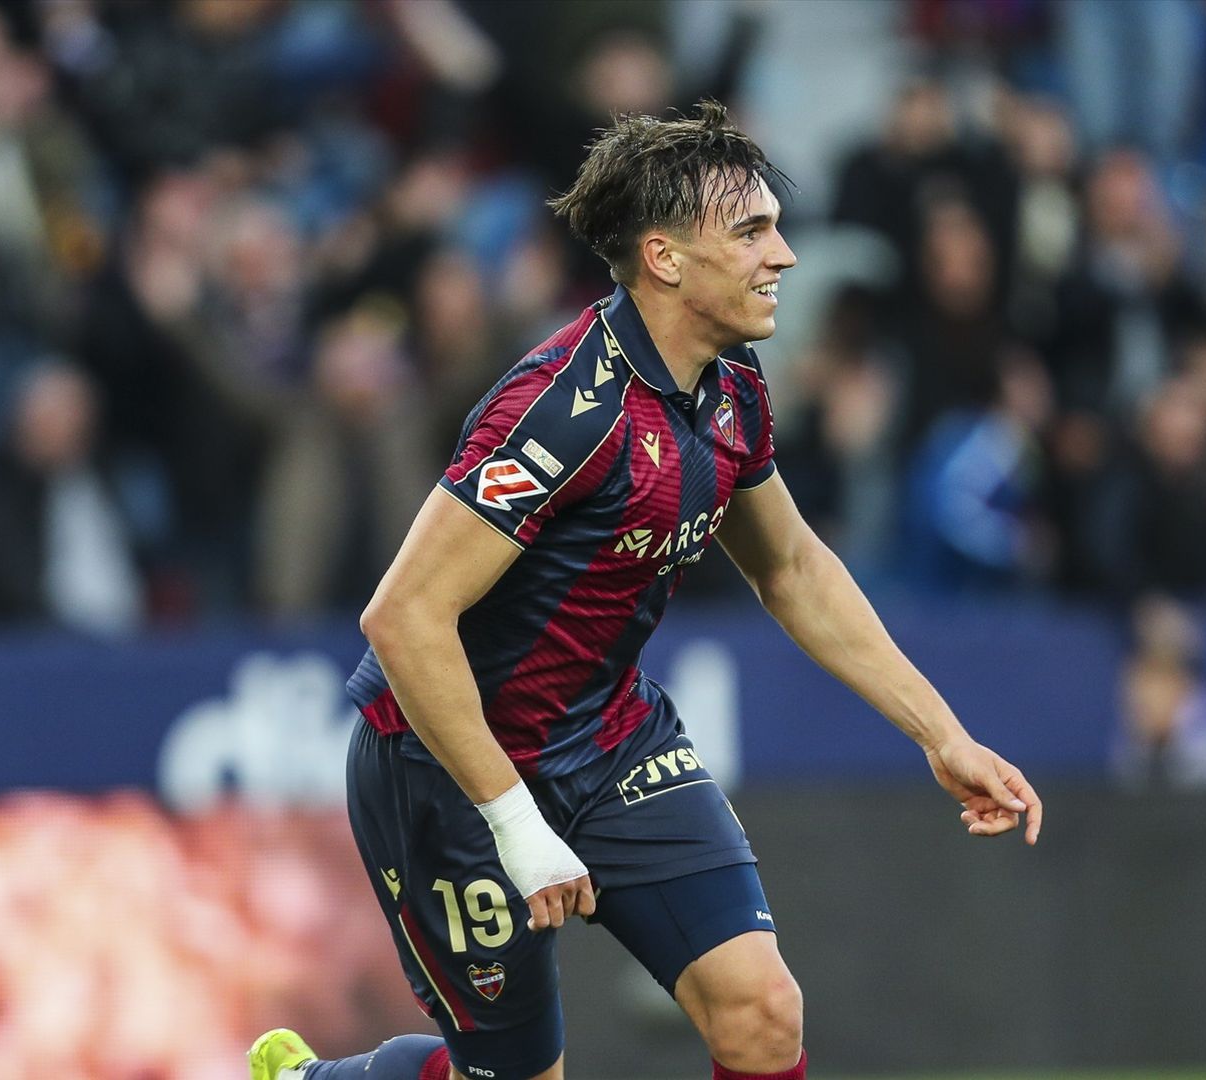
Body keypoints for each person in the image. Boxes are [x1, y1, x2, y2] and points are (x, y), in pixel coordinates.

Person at [247, 100, 1043, 1080]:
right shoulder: (560, 412)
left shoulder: (731, 386)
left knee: (762, 1009)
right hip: (450, 771)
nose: (784, 255)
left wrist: (942, 734)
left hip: (610, 738)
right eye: (751, 231)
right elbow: (404, 617)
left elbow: (790, 567)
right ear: (666, 258)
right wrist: (514, 822)